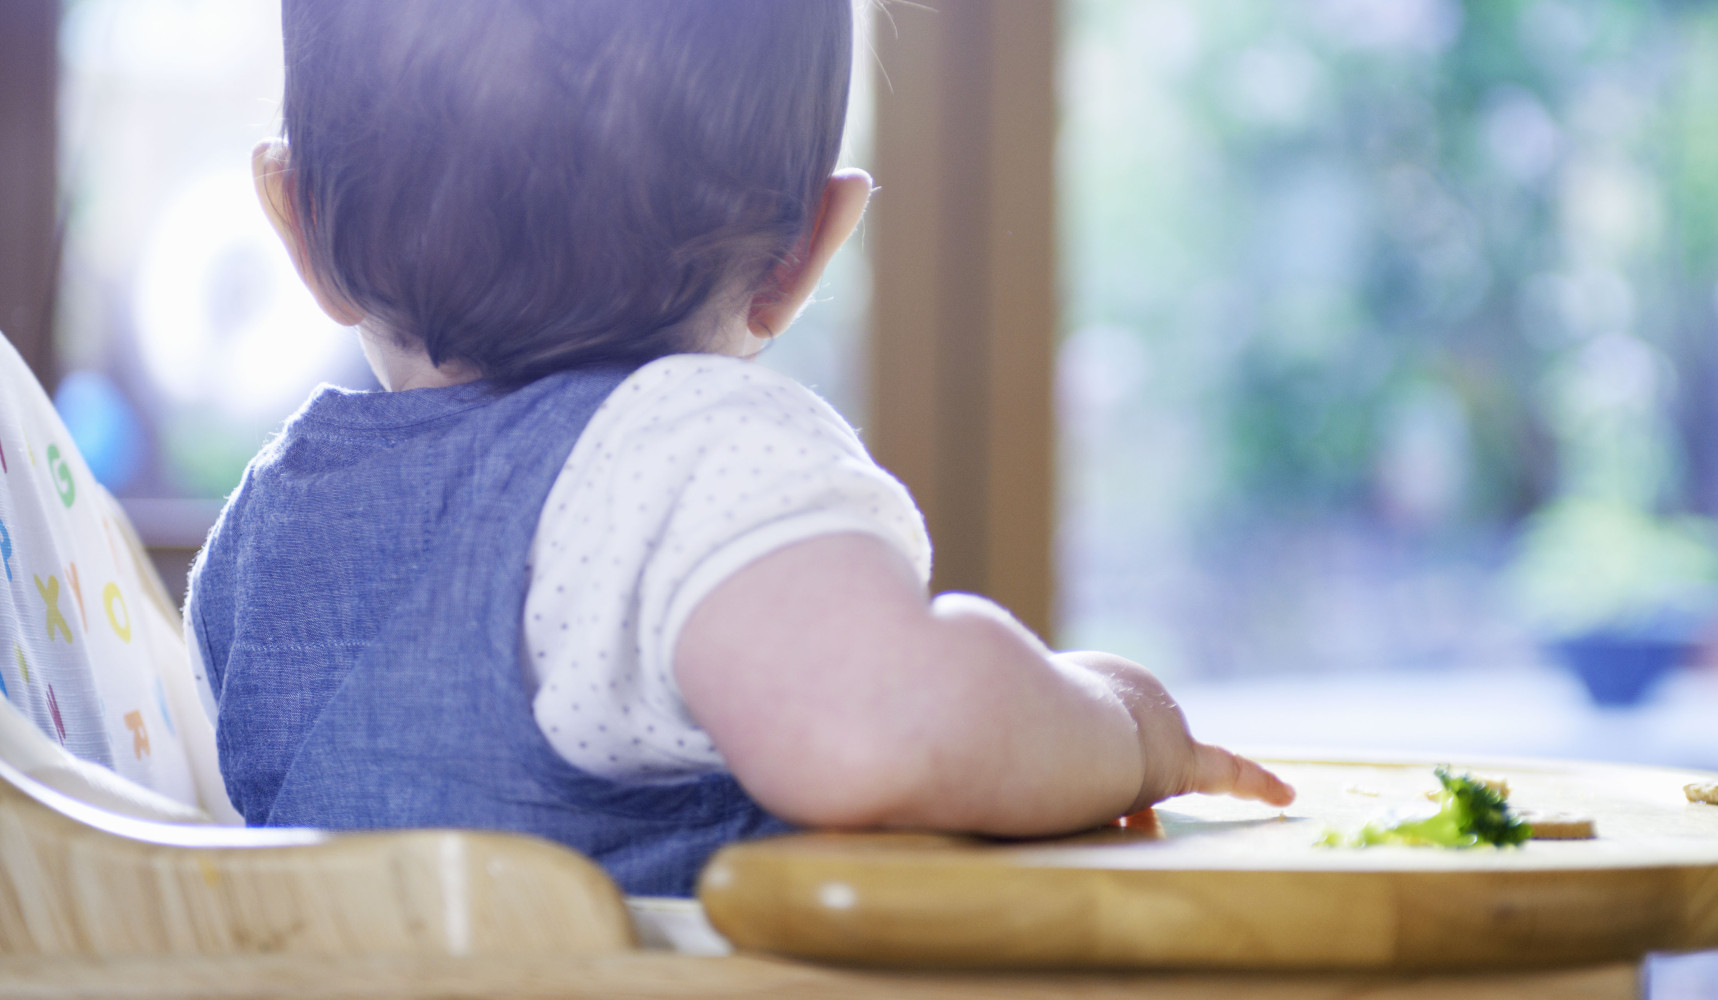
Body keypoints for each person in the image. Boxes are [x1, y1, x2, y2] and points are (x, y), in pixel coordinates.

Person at [187, 0, 1293, 897]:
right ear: (803, 250)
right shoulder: (691, 457)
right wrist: (1124, 722)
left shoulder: (265, 524)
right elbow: (881, 729)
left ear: (297, 224)